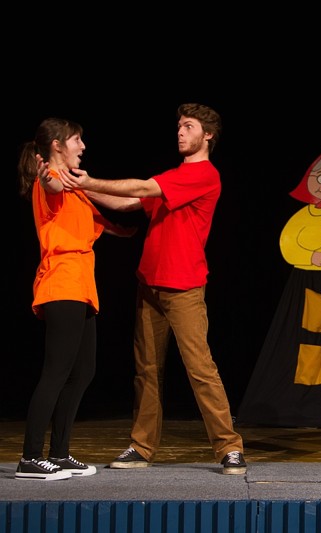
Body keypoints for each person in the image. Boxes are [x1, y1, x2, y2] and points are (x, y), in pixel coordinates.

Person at [58, 103, 247, 475]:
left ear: (208, 135)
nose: (180, 132)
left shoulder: (204, 175)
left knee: (200, 369)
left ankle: (229, 447)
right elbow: (129, 201)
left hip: (184, 287)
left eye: (188, 126)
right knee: (146, 371)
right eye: (178, 126)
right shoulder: (174, 176)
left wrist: (87, 181)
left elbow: (144, 187)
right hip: (149, 285)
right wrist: (78, 187)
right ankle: (141, 447)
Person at [16, 118, 134, 480]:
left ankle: (60, 453)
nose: (82, 146)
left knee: (83, 371)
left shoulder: (76, 189)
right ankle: (30, 457)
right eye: (76, 140)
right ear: (57, 145)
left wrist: (139, 219)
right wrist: (47, 174)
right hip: (62, 282)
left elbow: (113, 218)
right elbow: (50, 183)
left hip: (81, 285)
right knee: (57, 371)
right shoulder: (52, 177)